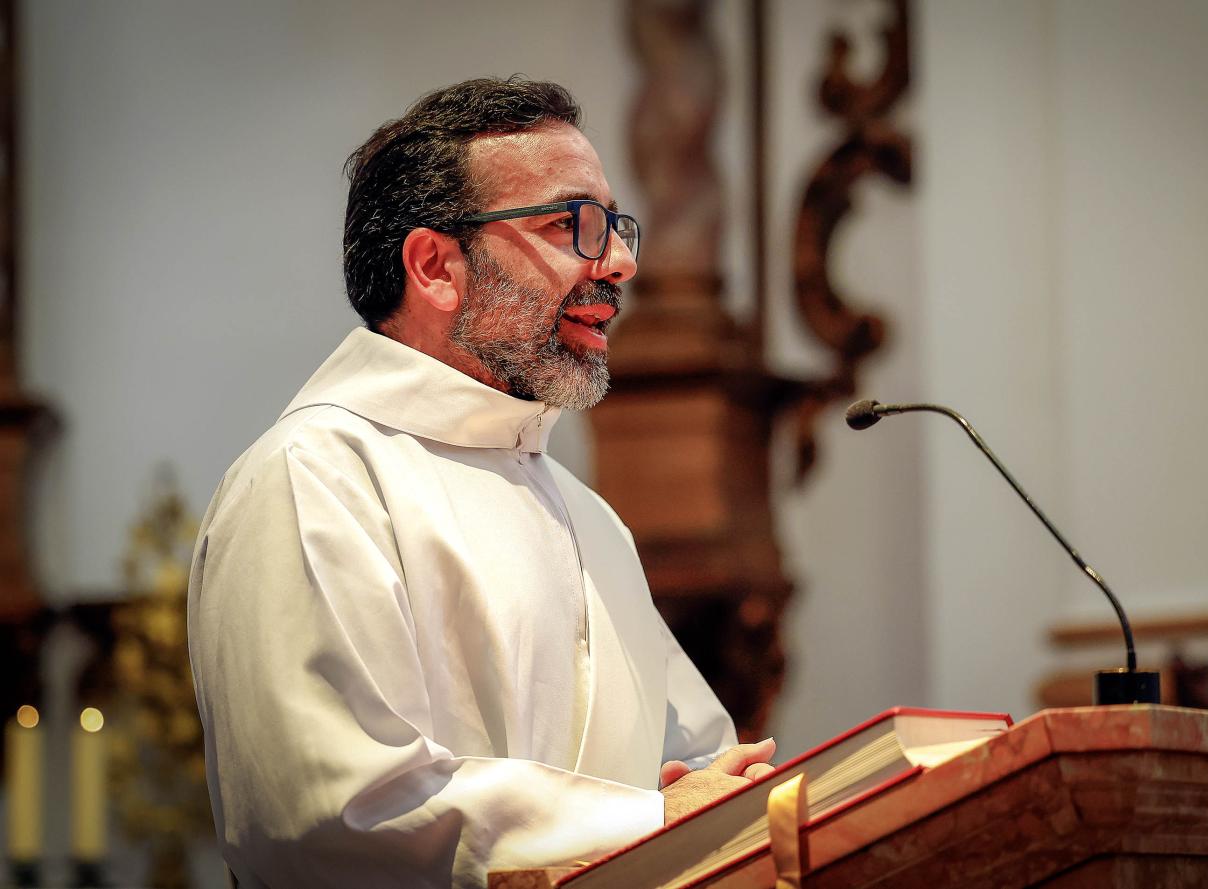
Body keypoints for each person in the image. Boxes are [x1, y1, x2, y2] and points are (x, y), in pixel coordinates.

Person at [187, 78, 776, 889]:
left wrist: (744, 805)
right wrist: (649, 820)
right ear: (435, 266)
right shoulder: (314, 477)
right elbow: (330, 815)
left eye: (614, 224)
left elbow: (692, 766)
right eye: (576, 225)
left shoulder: (589, 516)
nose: (622, 262)